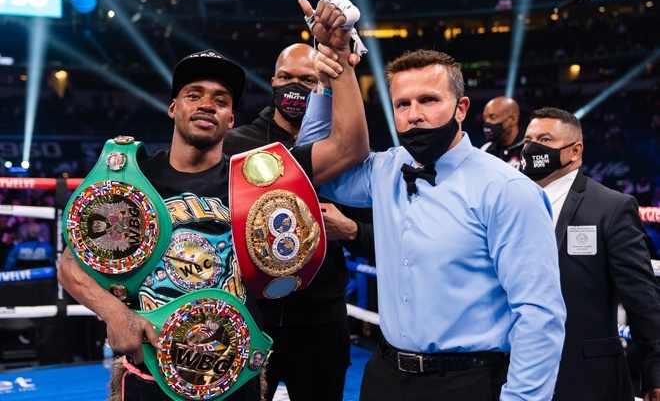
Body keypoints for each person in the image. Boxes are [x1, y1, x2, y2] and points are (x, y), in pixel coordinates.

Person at [57, 0, 369, 401]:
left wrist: (340, 53)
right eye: (194, 94)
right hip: (151, 375)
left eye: (221, 100)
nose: (207, 104)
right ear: (172, 107)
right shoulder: (136, 180)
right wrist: (114, 312)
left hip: (233, 375)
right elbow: (69, 264)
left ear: (231, 118)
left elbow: (349, 147)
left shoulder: (261, 179)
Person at [299, 48, 566, 400]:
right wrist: (324, 86)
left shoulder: (507, 190)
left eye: (428, 100)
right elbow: (313, 164)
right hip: (384, 375)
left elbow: (538, 313)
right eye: (402, 104)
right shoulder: (384, 169)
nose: (415, 115)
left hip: (467, 382)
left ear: (462, 108)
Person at [223, 42, 375, 401]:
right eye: (286, 77)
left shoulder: (347, 151)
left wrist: (349, 230)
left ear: (323, 84)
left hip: (321, 317)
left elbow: (378, 235)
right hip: (251, 312)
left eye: (307, 79)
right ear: (273, 80)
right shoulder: (235, 145)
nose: (294, 86)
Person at [520, 107, 660, 401]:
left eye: (544, 140)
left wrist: (655, 368)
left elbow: (641, 295)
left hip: (588, 375)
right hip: (517, 371)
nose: (532, 148)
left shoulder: (610, 207)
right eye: (527, 140)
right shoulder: (510, 204)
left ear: (575, 150)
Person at [481, 96, 524, 170]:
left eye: (493, 117)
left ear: (513, 119)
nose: (487, 122)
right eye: (485, 118)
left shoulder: (529, 148)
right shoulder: (485, 150)